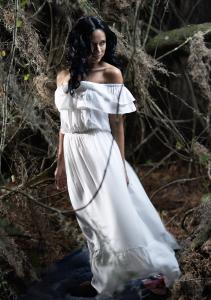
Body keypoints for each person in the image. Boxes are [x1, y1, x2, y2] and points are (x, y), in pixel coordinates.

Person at [54, 15, 181, 296]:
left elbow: (117, 123)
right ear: (78, 44)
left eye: (102, 44)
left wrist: (120, 163)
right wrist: (60, 160)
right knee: (87, 218)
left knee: (116, 216)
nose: (98, 50)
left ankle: (162, 269)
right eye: (92, 44)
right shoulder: (63, 75)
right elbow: (64, 122)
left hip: (101, 149)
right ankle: (102, 279)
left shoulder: (111, 74)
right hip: (74, 154)